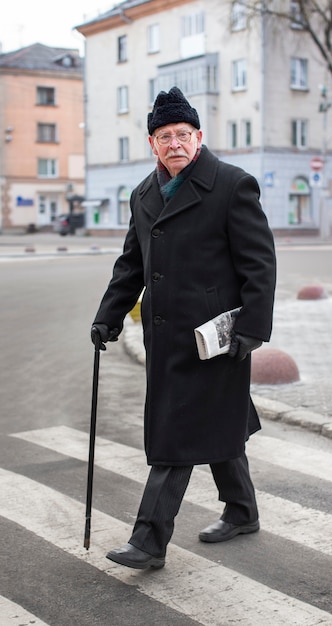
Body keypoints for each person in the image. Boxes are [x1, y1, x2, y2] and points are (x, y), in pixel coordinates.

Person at [91, 86, 276, 570]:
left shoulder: (233, 185)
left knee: (177, 433)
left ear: (199, 137)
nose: (175, 143)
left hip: (216, 338)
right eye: (164, 135)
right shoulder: (144, 194)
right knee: (215, 420)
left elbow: (260, 264)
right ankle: (242, 510)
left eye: (183, 134)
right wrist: (109, 315)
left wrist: (252, 328)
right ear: (153, 144)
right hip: (165, 337)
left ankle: (149, 542)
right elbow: (131, 264)